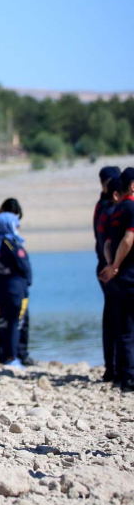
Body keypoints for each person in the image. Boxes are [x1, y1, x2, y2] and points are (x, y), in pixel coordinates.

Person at [100, 167, 134, 393]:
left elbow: (107, 244)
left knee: (122, 327)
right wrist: (117, 265)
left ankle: (123, 374)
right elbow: (129, 239)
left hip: (118, 278)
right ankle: (130, 377)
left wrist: (111, 265)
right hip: (129, 275)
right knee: (129, 327)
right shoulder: (131, 207)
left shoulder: (115, 209)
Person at [0, 206, 32, 369]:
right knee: (15, 323)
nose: (18, 227)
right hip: (15, 292)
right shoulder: (12, 245)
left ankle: (4, 356)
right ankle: (12, 357)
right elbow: (25, 267)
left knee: (3, 323)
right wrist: (27, 283)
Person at [95, 166, 122, 383]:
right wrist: (112, 265)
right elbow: (107, 241)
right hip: (110, 268)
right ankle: (115, 368)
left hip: (107, 266)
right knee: (116, 318)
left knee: (113, 317)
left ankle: (113, 367)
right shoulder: (109, 208)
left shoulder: (104, 205)